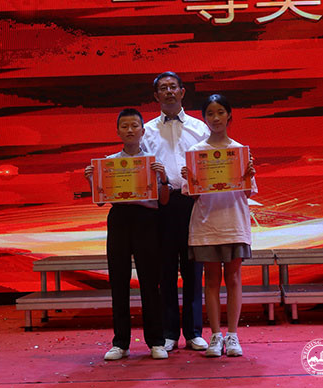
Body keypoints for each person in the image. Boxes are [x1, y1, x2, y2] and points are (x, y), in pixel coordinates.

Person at [84, 108, 170, 361]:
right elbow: (101, 201)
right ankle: (120, 343)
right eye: (125, 126)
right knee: (118, 281)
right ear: (118, 131)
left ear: (143, 130)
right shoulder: (109, 163)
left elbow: (164, 200)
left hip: (147, 220)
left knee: (150, 282)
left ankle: (156, 341)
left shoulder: (153, 162)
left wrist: (163, 178)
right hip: (119, 219)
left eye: (134, 126)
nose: (130, 130)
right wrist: (92, 181)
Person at [181, 94, 256, 358]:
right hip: (206, 223)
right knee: (211, 280)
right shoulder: (196, 153)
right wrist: (190, 178)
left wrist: (248, 175)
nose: (215, 118)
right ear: (204, 118)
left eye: (220, 112)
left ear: (229, 116)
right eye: (210, 113)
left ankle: (232, 335)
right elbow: (191, 195)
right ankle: (215, 335)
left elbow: (248, 192)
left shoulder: (240, 151)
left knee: (233, 279)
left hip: (234, 221)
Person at [141, 71, 210, 352]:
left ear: (182, 92)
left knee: (193, 268)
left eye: (173, 87)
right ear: (156, 96)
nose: (169, 92)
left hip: (193, 203)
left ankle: (194, 332)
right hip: (161, 205)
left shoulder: (200, 128)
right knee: (165, 270)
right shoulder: (145, 131)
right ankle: (169, 332)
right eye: (163, 88)